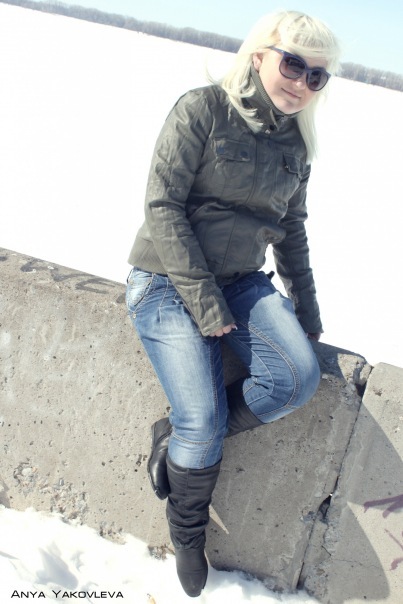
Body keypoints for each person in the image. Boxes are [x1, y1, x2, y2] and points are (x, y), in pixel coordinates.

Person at [126, 10, 340, 598]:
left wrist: (308, 313)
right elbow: (162, 205)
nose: (301, 82)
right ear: (260, 55)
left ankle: (178, 434)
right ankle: (187, 534)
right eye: (292, 64)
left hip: (243, 282)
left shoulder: (297, 146)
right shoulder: (201, 108)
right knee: (203, 421)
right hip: (166, 279)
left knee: (296, 379)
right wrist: (204, 301)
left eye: (316, 75)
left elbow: (291, 231)